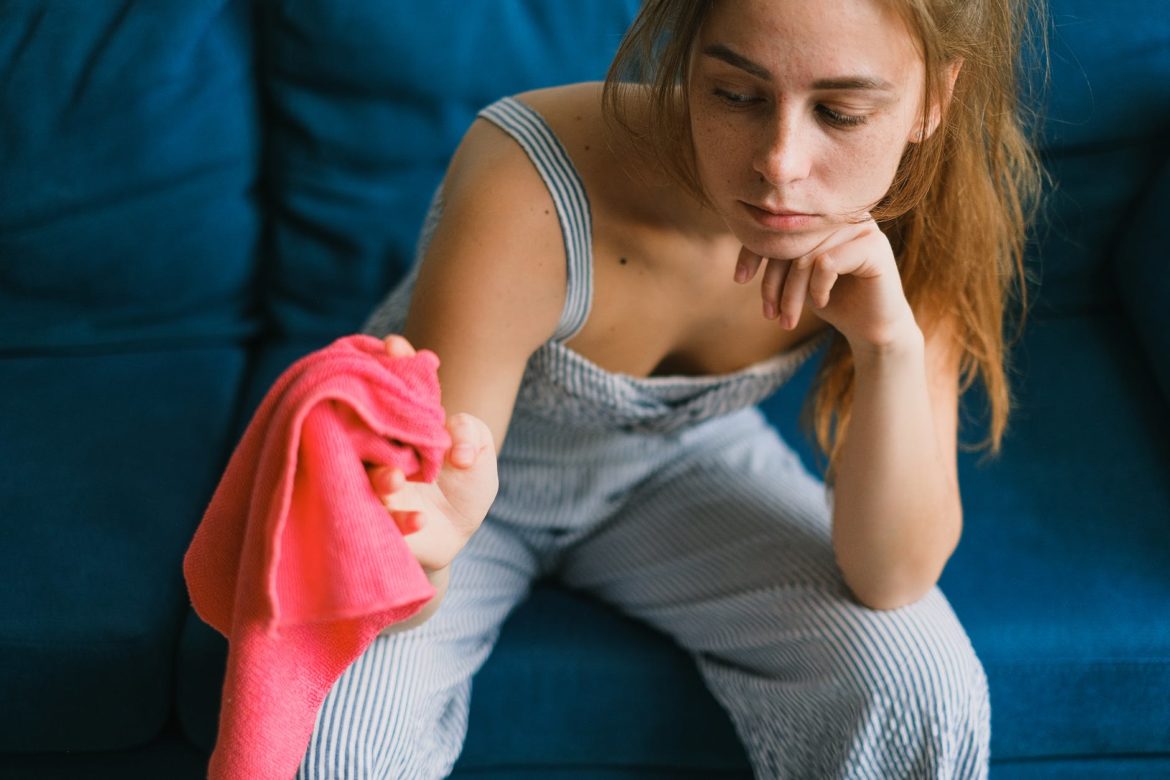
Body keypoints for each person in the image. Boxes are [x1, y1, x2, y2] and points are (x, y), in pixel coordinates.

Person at [297, 0, 1043, 777]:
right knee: (333, 739)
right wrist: (429, 555)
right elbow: (409, 565)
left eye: (841, 112)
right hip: (465, 491)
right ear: (686, 59)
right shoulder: (531, 179)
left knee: (920, 681)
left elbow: (892, 578)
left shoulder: (915, 218)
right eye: (736, 95)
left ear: (933, 101)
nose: (780, 163)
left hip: (679, 467)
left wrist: (886, 344)